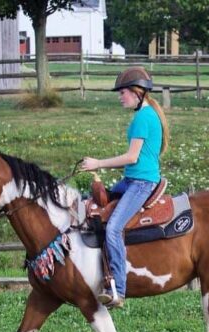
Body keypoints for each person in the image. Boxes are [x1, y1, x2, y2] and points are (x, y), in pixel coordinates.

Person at [81, 66, 169, 308]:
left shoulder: (143, 118)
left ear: (137, 92)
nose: (120, 97)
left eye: (123, 92)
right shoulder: (146, 114)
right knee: (92, 204)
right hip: (131, 180)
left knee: (113, 229)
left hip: (141, 183)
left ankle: (118, 289)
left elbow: (132, 157)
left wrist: (98, 163)